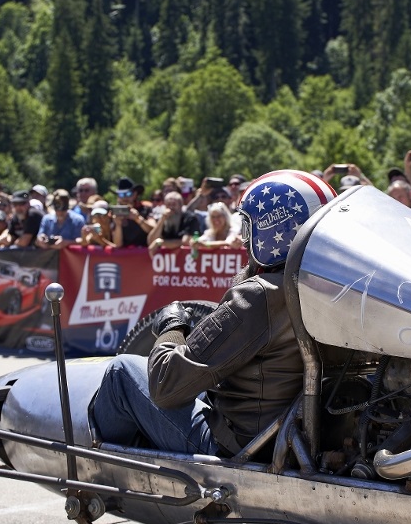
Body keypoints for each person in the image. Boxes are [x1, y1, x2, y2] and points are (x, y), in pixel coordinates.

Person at [91, 170, 338, 455]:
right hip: (294, 440)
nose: (245, 240)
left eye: (249, 228)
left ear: (272, 231)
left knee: (121, 371)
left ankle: (109, 478)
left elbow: (166, 384)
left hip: (238, 444)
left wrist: (172, 327)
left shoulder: (260, 295)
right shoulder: (330, 287)